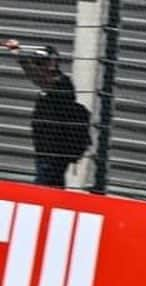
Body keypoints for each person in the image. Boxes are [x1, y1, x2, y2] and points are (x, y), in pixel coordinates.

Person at [3, 39, 90, 187]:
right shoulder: (48, 86)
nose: (38, 66)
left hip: (55, 153)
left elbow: (38, 77)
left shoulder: (62, 84)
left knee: (41, 189)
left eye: (41, 63)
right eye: (37, 63)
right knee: (55, 189)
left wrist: (18, 54)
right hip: (44, 150)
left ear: (52, 63)